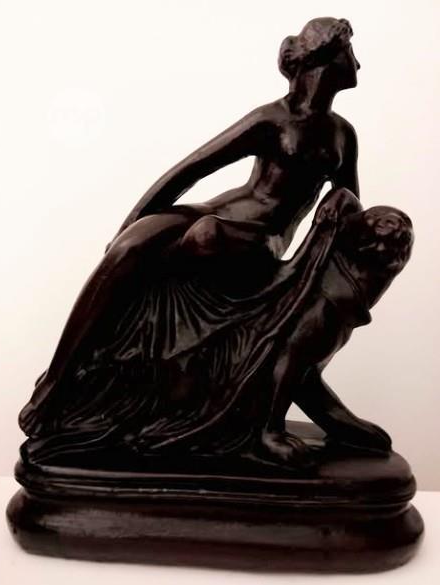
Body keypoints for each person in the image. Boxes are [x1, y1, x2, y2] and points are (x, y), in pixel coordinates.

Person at [19, 18, 363, 456]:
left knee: (206, 237)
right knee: (128, 249)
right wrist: (126, 228)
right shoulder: (271, 118)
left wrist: (343, 200)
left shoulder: (341, 134)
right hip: (211, 209)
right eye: (350, 53)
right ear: (325, 60)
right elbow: (188, 170)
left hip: (262, 238)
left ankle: (154, 361)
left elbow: (354, 203)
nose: (357, 64)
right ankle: (56, 384)